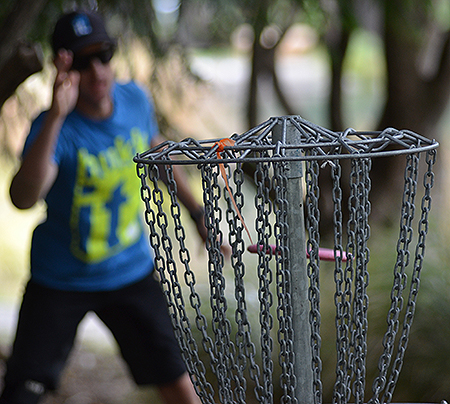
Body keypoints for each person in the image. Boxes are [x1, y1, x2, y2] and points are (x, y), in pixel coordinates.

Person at [0, 9, 205, 404]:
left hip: (129, 272)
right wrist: (58, 114)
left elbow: (156, 152)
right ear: (65, 68)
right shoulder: (52, 127)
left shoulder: (135, 101)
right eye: (82, 61)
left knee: (179, 383)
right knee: (22, 392)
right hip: (59, 279)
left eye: (103, 56)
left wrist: (196, 213)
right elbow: (24, 198)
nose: (97, 72)